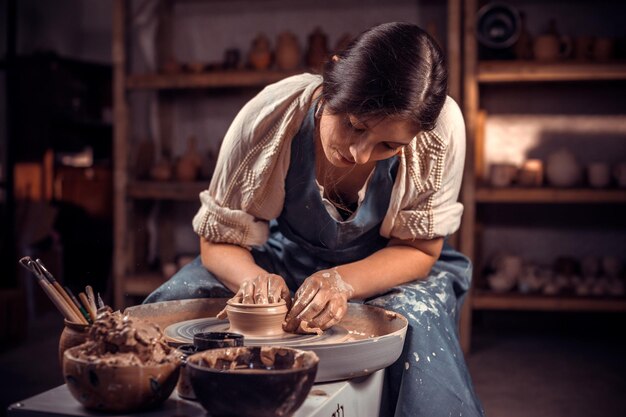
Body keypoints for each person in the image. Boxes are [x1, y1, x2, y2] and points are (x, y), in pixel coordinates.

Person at [145, 21, 485, 417]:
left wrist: (342, 282)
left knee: (415, 320)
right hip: (287, 257)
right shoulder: (270, 115)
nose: (360, 154)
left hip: (389, 267)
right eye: (354, 126)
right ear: (331, 81)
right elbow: (219, 241)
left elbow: (420, 249)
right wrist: (256, 282)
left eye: (388, 146)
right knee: (180, 303)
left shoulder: (438, 131)